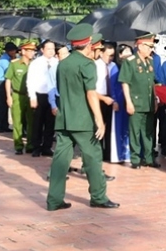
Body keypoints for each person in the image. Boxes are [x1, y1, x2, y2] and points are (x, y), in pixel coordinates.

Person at [46, 23, 119, 211]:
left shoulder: (64, 63)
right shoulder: (87, 64)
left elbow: (63, 91)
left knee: (61, 161)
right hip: (83, 120)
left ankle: (54, 200)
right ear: (88, 44)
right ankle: (99, 197)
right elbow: (90, 93)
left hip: (64, 119)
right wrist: (99, 120)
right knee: (93, 158)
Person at [119, 33, 159, 169]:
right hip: (136, 102)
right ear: (140, 46)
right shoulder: (130, 61)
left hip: (148, 102)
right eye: (149, 46)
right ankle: (135, 158)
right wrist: (128, 102)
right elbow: (125, 83)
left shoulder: (150, 61)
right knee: (135, 132)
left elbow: (152, 82)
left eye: (152, 47)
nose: (151, 49)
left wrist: (154, 100)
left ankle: (149, 158)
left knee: (148, 131)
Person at [6, 40, 37, 155]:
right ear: (23, 51)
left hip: (31, 96)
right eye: (30, 51)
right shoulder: (14, 64)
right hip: (17, 95)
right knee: (17, 121)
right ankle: (18, 145)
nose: (32, 53)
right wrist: (8, 96)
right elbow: (8, 80)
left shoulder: (35, 65)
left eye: (33, 51)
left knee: (31, 121)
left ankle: (30, 145)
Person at [28, 40, 58, 157]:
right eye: (48, 48)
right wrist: (32, 97)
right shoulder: (36, 63)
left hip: (53, 96)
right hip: (40, 95)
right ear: (42, 50)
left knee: (50, 123)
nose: (51, 51)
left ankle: (47, 147)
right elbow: (30, 81)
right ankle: (36, 147)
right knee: (38, 122)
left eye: (53, 48)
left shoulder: (57, 62)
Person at [93, 40, 117, 161]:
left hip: (111, 99)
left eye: (113, 55)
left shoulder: (113, 66)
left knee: (109, 127)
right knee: (98, 126)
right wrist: (102, 98)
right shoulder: (95, 66)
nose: (111, 58)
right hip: (99, 98)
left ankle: (108, 153)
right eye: (108, 55)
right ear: (101, 53)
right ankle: (97, 152)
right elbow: (91, 89)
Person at [110, 44, 132, 163]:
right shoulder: (115, 67)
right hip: (119, 100)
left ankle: (128, 154)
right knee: (119, 127)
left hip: (130, 100)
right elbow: (112, 86)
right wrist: (114, 100)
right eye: (125, 51)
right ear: (120, 54)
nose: (128, 54)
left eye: (130, 51)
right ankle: (119, 154)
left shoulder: (132, 66)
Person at [0, 42, 18, 133]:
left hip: (4, 82)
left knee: (5, 105)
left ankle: (4, 125)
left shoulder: (11, 58)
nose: (14, 52)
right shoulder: (4, 59)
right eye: (13, 51)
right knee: (1, 105)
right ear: (8, 51)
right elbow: (9, 70)